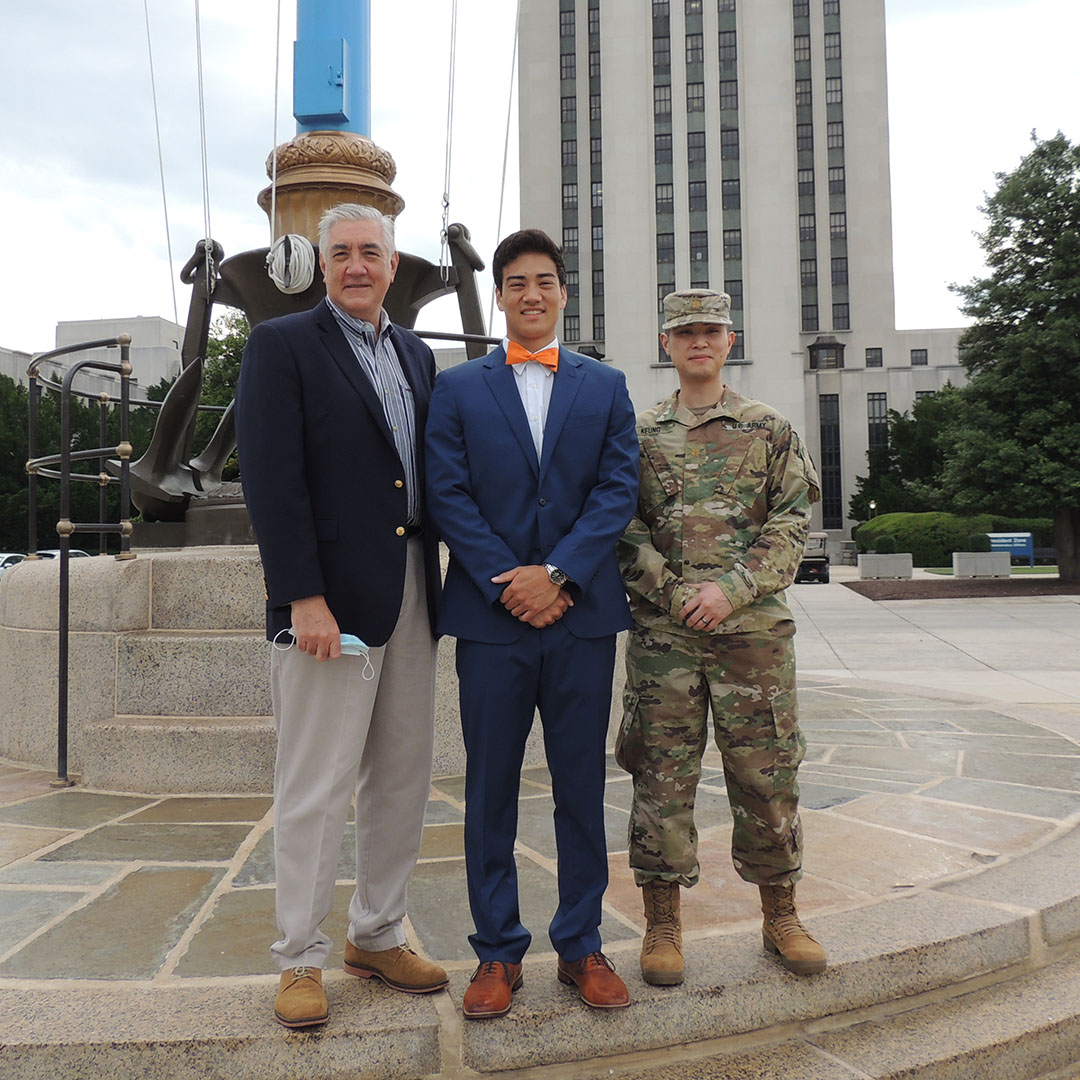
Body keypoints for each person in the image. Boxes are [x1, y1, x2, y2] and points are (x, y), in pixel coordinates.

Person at [235, 203, 448, 1029]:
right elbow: (271, 479)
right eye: (342, 254)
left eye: (372, 253)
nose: (357, 266)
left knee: (401, 774)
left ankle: (378, 931)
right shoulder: (281, 347)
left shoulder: (417, 356)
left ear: (394, 267)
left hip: (410, 591)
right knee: (316, 784)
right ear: (322, 268)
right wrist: (302, 594)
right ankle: (298, 957)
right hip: (327, 601)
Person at [425, 229, 639, 1018]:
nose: (531, 294)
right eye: (516, 282)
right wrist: (507, 580)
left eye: (545, 280)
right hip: (492, 622)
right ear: (503, 295)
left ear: (563, 292)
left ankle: (580, 944)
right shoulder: (457, 388)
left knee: (581, 787)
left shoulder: (607, 385)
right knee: (490, 790)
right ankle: (497, 953)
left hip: (581, 619)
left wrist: (559, 574)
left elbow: (617, 491)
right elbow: (446, 493)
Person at [616, 289, 826, 986]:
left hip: (752, 641)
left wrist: (730, 590)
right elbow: (623, 526)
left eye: (710, 331)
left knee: (767, 778)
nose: (698, 342)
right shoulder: (639, 433)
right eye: (685, 333)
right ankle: (663, 924)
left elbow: (793, 522)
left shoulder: (768, 429)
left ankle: (782, 915)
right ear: (667, 345)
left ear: (729, 340)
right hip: (666, 639)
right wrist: (676, 594)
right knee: (661, 779)